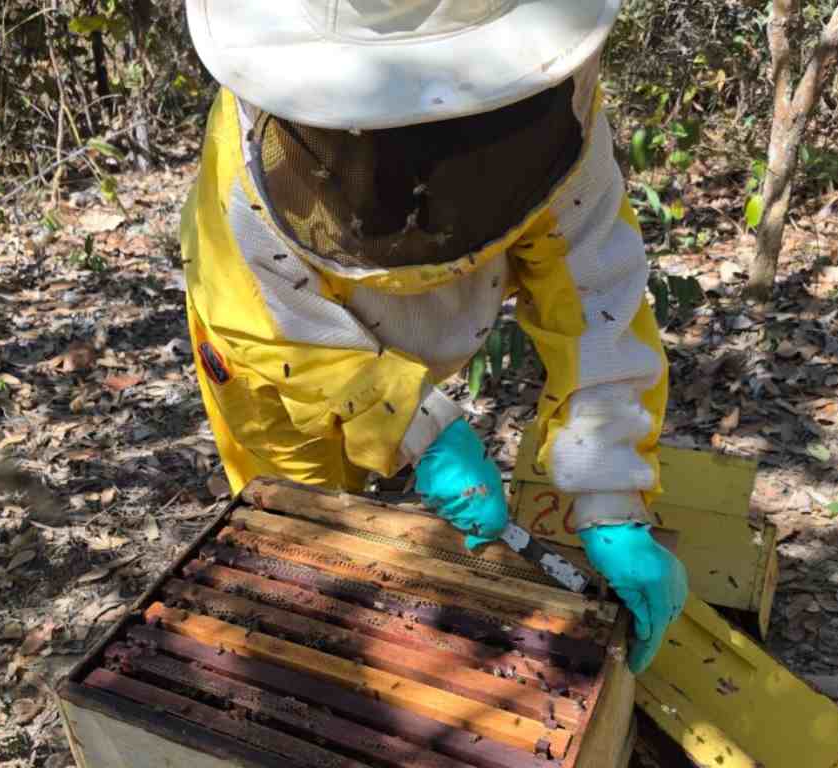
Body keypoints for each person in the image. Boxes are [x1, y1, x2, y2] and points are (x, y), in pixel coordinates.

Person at [178, 0, 687, 674]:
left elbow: (598, 303)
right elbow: (282, 333)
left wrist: (612, 495)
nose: (427, 149)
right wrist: (419, 428)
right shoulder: (249, 178)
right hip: (275, 364)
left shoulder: (552, 114)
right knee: (298, 538)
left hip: (419, 324)